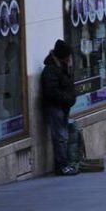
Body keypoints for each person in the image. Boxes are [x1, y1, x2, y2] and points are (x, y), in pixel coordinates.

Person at [41, 39, 78, 175]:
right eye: (68, 56)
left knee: (63, 136)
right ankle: (62, 165)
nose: (70, 58)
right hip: (55, 107)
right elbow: (51, 91)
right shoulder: (51, 70)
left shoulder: (62, 67)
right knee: (60, 136)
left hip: (62, 107)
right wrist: (66, 98)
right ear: (63, 56)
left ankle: (63, 164)